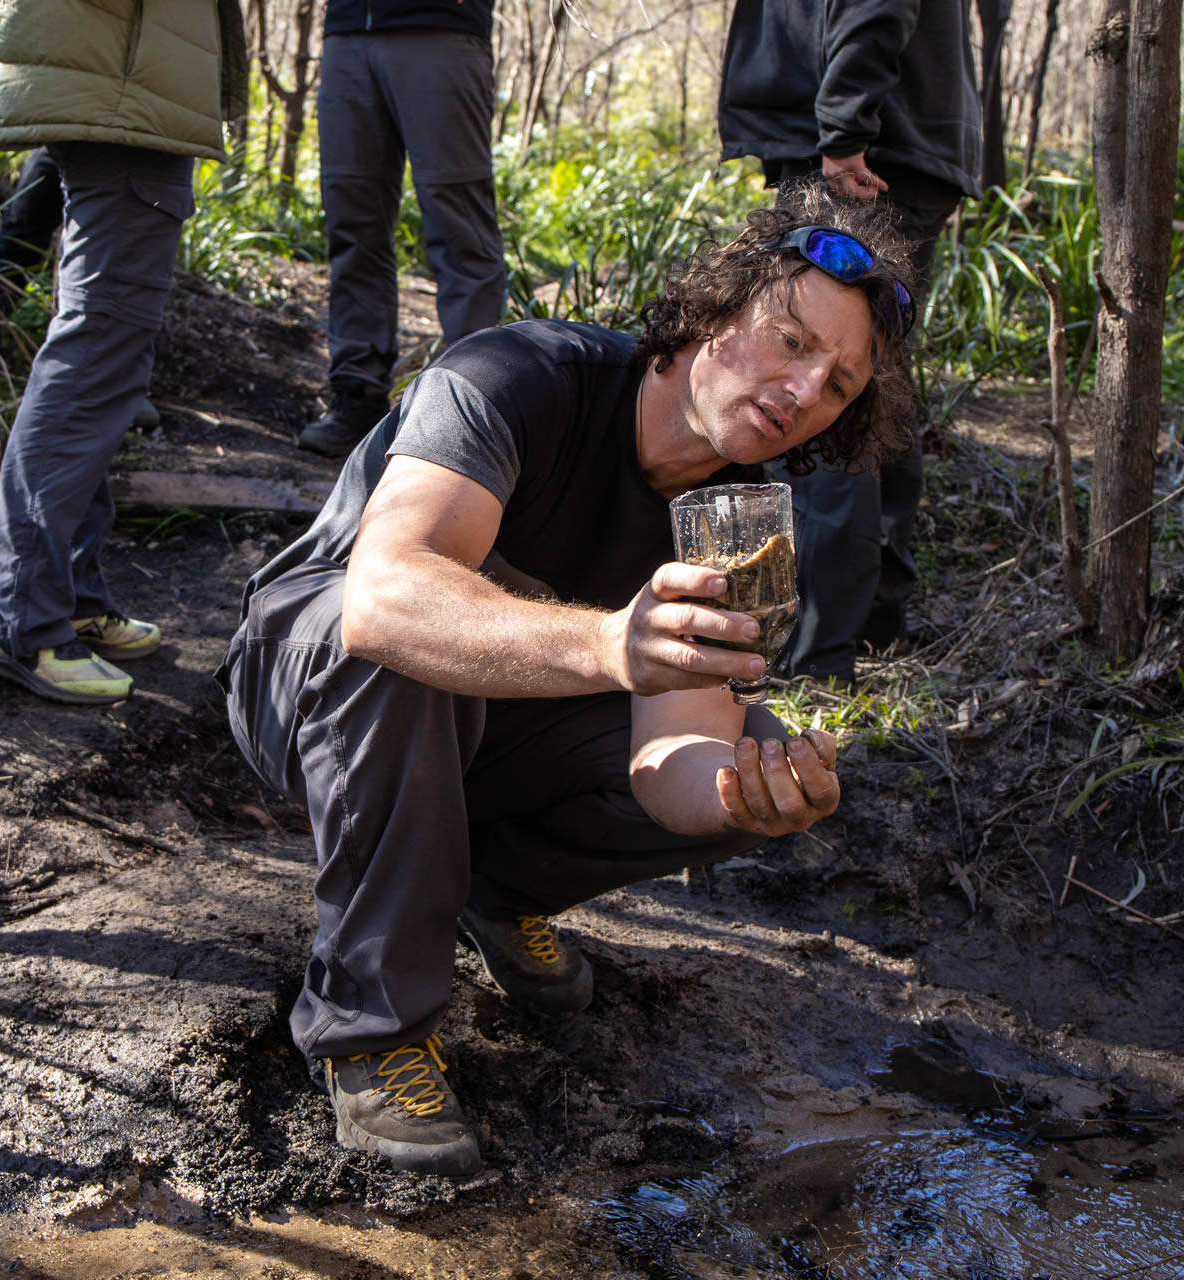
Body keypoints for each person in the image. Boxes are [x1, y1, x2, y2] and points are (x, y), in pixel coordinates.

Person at [217, 194, 917, 1176]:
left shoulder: (736, 519)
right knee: (410, 648)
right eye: (789, 339)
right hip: (304, 681)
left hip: (487, 737)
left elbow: (668, 742)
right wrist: (608, 647)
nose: (802, 386)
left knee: (743, 735)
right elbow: (382, 598)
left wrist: (735, 792)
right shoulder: (518, 376)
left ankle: (497, 889)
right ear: (716, 312)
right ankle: (369, 1027)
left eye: (836, 383)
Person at [0, 0, 247, 704]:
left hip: (124, 77)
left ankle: (71, 591)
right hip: (123, 83)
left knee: (106, 362)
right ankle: (19, 616)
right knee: (95, 356)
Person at [718, 0, 983, 683]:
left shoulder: (848, 147)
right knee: (869, 383)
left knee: (813, 392)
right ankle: (872, 622)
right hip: (890, 143)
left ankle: (819, 653)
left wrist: (843, 132)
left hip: (860, 155)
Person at [295, 0, 508, 459]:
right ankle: (358, 393)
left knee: (459, 223)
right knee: (352, 224)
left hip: (441, 25)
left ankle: (474, 406)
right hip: (348, 29)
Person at [0, 148, 163, 431]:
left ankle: (121, 376)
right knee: (32, 205)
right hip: (70, 120)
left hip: (142, 135)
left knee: (123, 253)